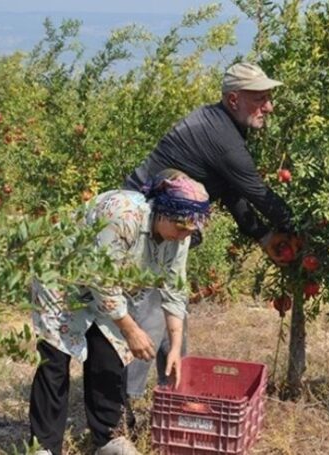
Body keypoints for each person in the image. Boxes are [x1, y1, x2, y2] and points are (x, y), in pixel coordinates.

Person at [122, 62, 299, 402]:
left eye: (269, 97)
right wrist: (300, 228)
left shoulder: (225, 125)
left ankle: (172, 396)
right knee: (146, 314)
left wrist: (262, 236)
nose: (269, 106)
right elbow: (257, 193)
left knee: (171, 307)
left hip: (167, 227)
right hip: (146, 228)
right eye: (260, 98)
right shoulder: (222, 137)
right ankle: (119, 412)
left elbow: (232, 192)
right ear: (233, 99)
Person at [28, 170, 211, 455]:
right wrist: (131, 328)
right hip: (63, 277)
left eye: (190, 230)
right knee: (55, 359)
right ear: (162, 212)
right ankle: (44, 447)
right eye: (181, 227)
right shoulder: (122, 215)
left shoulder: (181, 234)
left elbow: (175, 287)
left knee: (109, 354)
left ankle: (107, 439)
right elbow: (102, 280)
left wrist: (175, 347)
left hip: (108, 287)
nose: (185, 235)